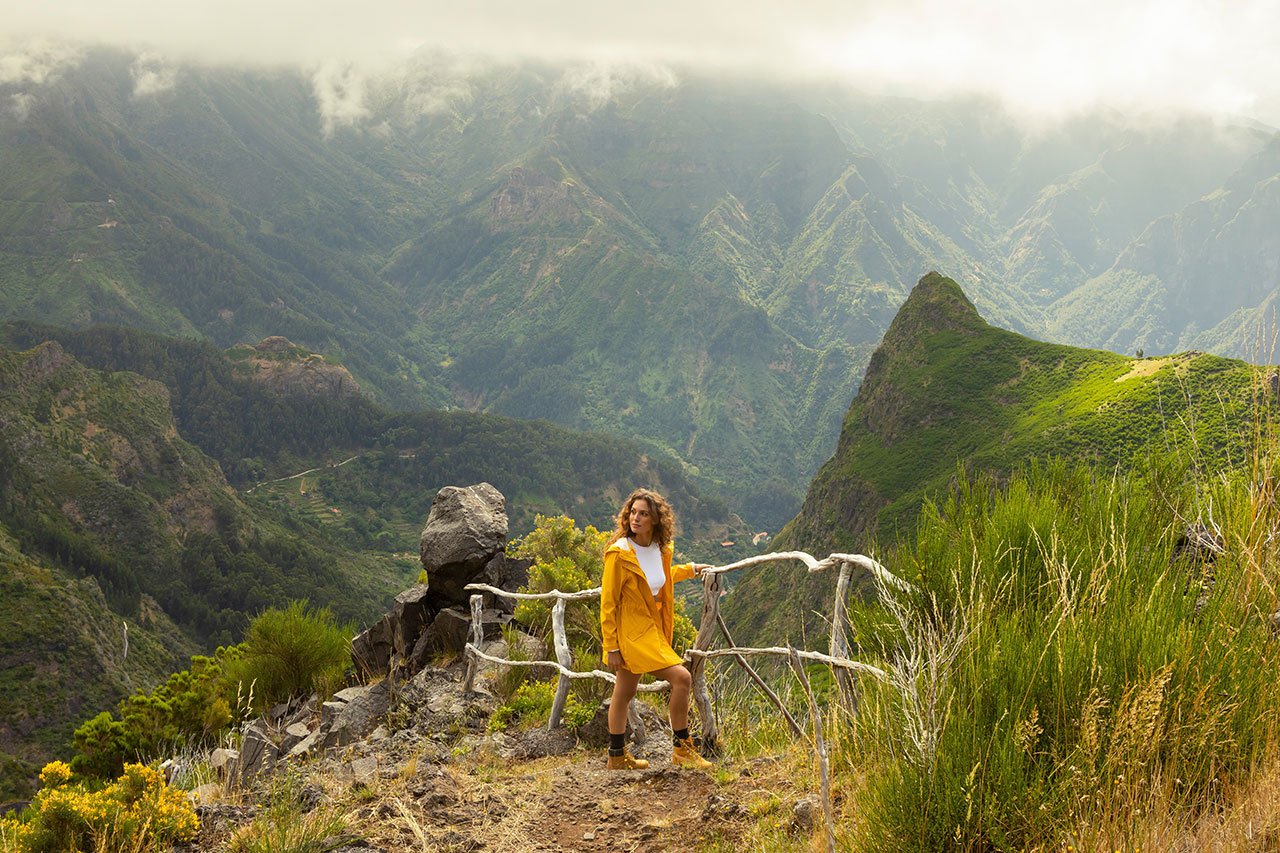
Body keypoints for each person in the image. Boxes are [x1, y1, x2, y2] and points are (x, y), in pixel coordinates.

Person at [599, 487, 714, 771]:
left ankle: (616, 757)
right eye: (633, 512)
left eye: (643, 514)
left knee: (624, 693)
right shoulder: (620, 553)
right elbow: (608, 601)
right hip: (631, 632)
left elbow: (659, 578)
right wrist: (611, 646)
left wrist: (688, 569)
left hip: (650, 627)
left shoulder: (657, 550)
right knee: (682, 678)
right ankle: (683, 748)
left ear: (655, 520)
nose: (636, 518)